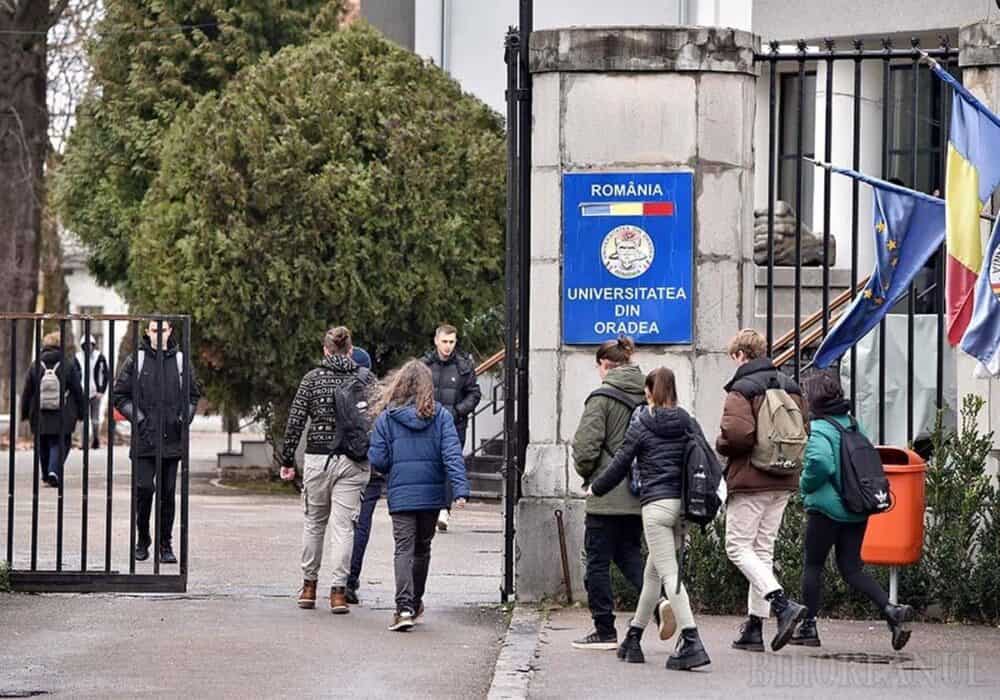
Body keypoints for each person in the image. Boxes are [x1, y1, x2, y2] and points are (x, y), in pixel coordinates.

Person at [589, 367, 711, 671]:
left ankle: (692, 640)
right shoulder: (687, 421)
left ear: (649, 392)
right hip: (682, 507)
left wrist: (596, 488)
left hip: (656, 507)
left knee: (670, 576)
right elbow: (705, 455)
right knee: (652, 576)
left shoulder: (642, 422)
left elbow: (620, 463)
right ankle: (633, 638)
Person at [791, 369, 915, 650]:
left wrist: (805, 484)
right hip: (856, 507)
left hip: (826, 509)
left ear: (813, 400)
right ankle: (891, 610)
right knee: (851, 568)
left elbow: (821, 463)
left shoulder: (821, 428)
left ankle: (808, 627)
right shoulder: (852, 424)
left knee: (813, 566)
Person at [716, 328, 808, 653]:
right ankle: (754, 628)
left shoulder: (741, 388)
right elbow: (804, 427)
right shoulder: (792, 386)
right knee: (762, 549)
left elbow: (738, 436)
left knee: (738, 547)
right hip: (783, 478)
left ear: (740, 355)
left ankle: (782, 605)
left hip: (752, 478)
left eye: (734, 357)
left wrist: (721, 443)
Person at [278, 326, 378, 614]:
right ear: (350, 351)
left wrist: (287, 461)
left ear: (325, 350)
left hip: (318, 460)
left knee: (314, 523)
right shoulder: (365, 379)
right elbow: (377, 418)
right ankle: (338, 593)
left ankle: (309, 587)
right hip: (354, 460)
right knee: (344, 527)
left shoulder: (313, 379)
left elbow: (296, 420)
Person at [368, 359, 470, 631]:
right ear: (428, 387)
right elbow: (451, 454)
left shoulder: (387, 418)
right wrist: (460, 489)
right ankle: (415, 602)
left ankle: (403, 609)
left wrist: (391, 467)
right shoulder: (441, 417)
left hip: (401, 495)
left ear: (399, 384)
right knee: (422, 549)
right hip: (431, 496)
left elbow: (377, 459)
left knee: (403, 549)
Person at [570, 336, 647, 650]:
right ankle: (660, 603)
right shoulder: (649, 393)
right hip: (640, 494)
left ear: (605, 365)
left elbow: (585, 448)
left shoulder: (600, 398)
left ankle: (604, 629)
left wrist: (589, 476)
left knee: (597, 563)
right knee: (630, 557)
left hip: (605, 496)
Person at [113, 320, 200, 564]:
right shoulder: (136, 360)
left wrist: (185, 417)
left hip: (172, 438)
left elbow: (193, 394)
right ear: (147, 332)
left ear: (170, 331)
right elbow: (119, 395)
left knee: (167, 493)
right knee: (144, 489)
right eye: (154, 329)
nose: (159, 334)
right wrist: (138, 418)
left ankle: (165, 544)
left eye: (163, 329)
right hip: (145, 438)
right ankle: (142, 540)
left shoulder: (181, 361)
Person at [422, 324, 481, 532]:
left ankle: (444, 510)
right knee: (430, 464)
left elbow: (474, 394)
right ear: (436, 341)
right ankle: (430, 506)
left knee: (449, 465)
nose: (448, 346)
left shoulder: (463, 367)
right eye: (445, 341)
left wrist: (458, 411)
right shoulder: (425, 366)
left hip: (454, 424)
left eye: (452, 342)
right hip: (427, 424)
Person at [21, 331, 87, 488]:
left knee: (42, 443)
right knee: (59, 443)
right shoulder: (67, 364)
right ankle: (54, 472)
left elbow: (27, 391)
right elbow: (78, 390)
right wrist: (81, 412)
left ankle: (46, 473)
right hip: (63, 412)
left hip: (39, 412)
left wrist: (24, 413)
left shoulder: (35, 365)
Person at [77, 334, 110, 449]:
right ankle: (83, 442)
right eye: (86, 345)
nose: (88, 348)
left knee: (95, 418)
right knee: (83, 419)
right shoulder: (77, 357)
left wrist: (102, 390)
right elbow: (75, 375)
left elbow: (106, 375)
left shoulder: (99, 357)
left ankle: (96, 439)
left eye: (90, 345)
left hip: (96, 392)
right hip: (82, 392)